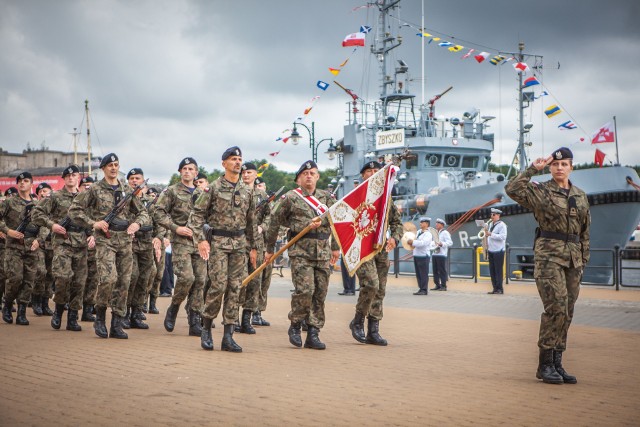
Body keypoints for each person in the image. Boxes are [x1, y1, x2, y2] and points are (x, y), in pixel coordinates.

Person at [505, 147, 590, 385]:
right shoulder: (541, 192)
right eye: (556, 165)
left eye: (564, 165)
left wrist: (583, 260)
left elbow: (585, 231)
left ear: (571, 167)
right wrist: (534, 169)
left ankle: (557, 363)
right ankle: (544, 365)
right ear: (551, 168)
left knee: (568, 311)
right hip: (549, 257)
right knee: (556, 308)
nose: (559, 168)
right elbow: (511, 189)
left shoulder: (581, 195)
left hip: (573, 259)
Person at [69, 153, 150, 339]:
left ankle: (116, 323)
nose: (114, 168)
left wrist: (136, 224)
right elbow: (74, 210)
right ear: (103, 168)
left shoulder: (126, 189)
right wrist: (93, 223)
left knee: (124, 282)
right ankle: (100, 317)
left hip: (125, 240)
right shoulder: (95, 189)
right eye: (110, 165)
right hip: (105, 239)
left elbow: (143, 213)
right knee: (108, 279)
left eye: (116, 164)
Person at [188, 146, 257, 352]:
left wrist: (253, 247)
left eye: (239, 159)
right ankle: (206, 327)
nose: (237, 162)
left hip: (239, 245)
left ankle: (228, 335)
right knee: (218, 286)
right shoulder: (213, 188)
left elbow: (251, 221)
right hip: (218, 243)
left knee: (235, 288)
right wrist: (201, 240)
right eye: (233, 159)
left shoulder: (247, 190)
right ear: (224, 163)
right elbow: (196, 216)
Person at [264, 160, 340, 350]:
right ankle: (296, 324)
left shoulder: (327, 197)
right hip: (301, 252)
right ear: (298, 179)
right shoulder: (290, 198)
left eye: (312, 173)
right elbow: (274, 221)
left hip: (322, 251)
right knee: (305, 291)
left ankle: (314, 332)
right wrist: (269, 248)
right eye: (305, 174)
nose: (309, 176)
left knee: (320, 293)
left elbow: (337, 222)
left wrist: (335, 247)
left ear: (317, 177)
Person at [32, 165, 93, 331]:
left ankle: (73, 317)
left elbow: (94, 218)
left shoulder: (86, 198)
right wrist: (52, 225)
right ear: (64, 178)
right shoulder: (56, 197)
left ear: (78, 178)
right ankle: (58, 310)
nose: (71, 178)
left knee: (79, 282)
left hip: (81, 243)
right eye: (68, 176)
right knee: (63, 279)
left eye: (74, 176)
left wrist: (92, 234)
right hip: (62, 242)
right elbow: (36, 213)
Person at [349, 161, 403, 346]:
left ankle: (373, 329)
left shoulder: (385, 198)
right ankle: (357, 321)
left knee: (380, 290)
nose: (373, 173)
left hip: (380, 250)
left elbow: (397, 223)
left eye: (376, 171)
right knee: (371, 284)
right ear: (362, 175)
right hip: (362, 249)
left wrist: (395, 238)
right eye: (369, 171)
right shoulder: (355, 197)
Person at [153, 157, 206, 337]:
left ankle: (194, 319)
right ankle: (174, 307)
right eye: (184, 168)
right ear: (180, 172)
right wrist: (175, 228)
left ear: (196, 173)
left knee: (200, 280)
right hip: (181, 241)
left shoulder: (203, 193)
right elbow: (158, 212)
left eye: (191, 169)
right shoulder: (172, 191)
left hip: (199, 242)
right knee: (187, 278)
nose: (187, 171)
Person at [0, 172, 41, 325]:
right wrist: (7, 230)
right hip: (13, 247)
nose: (22, 183)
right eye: (20, 181)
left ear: (31, 184)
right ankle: (8, 304)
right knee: (15, 278)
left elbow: (44, 225)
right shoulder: (9, 202)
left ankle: (22, 312)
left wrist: (39, 240)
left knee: (29, 280)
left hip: (31, 247)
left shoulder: (37, 205)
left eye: (25, 181)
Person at [237, 162, 270, 334]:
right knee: (239, 280)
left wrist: (261, 227)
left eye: (249, 172)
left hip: (258, 243)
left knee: (255, 282)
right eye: (244, 172)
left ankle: (246, 319)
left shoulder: (262, 195)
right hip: (240, 243)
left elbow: (269, 218)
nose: (246, 175)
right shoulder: (237, 192)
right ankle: (233, 317)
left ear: (256, 174)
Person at [124, 167, 155, 329]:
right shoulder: (124, 199)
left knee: (144, 278)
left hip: (147, 243)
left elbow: (158, 219)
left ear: (143, 181)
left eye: (137, 178)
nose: (135, 181)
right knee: (132, 276)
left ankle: (137, 312)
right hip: (130, 243)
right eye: (132, 178)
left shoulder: (150, 200)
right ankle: (124, 312)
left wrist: (159, 237)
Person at [32, 182, 55, 316]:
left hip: (52, 245)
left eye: (46, 191)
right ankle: (36, 300)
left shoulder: (54, 208)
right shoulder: (34, 207)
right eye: (40, 191)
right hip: (38, 244)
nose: (43, 193)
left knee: (51, 274)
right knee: (40, 271)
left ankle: (45, 302)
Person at [79, 176, 98, 321]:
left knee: (93, 279)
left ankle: (88, 309)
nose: (88, 188)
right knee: (77, 279)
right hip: (77, 245)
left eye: (90, 186)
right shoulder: (78, 205)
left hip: (95, 247)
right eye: (85, 186)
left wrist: (94, 235)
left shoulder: (98, 206)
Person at [409, 217, 433, 295]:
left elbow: (423, 243)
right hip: (416, 254)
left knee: (423, 273)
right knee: (418, 273)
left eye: (422, 222)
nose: (420, 224)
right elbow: (414, 238)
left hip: (423, 255)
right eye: (420, 222)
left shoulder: (428, 234)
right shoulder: (418, 232)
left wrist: (413, 242)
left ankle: (424, 289)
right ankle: (420, 288)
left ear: (426, 224)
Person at [486, 208, 507, 295]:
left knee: (498, 271)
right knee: (492, 270)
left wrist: (491, 234)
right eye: (491, 215)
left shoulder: (502, 225)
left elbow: (503, 237)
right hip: (491, 250)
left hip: (498, 250)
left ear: (498, 215)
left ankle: (500, 289)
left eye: (493, 215)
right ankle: (494, 288)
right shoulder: (490, 224)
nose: (492, 216)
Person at [431, 218, 452, 291]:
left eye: (438, 223)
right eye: (436, 223)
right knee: (435, 270)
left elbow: (450, 242)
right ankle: (437, 284)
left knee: (442, 270)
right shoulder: (435, 232)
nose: (436, 224)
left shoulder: (445, 232)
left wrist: (442, 244)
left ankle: (443, 285)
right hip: (435, 253)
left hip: (442, 254)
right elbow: (433, 242)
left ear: (442, 225)